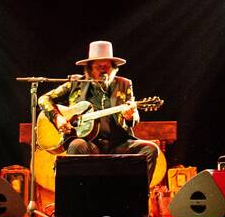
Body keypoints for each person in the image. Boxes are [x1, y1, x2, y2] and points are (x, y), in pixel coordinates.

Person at [38, 41, 159, 172]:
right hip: (88, 143)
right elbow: (44, 99)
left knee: (150, 149)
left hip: (118, 143)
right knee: (77, 145)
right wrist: (57, 118)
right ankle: (80, 191)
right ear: (89, 69)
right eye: (98, 67)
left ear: (113, 67)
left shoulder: (124, 84)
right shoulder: (76, 83)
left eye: (106, 66)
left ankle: (135, 192)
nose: (103, 71)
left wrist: (129, 117)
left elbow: (134, 114)